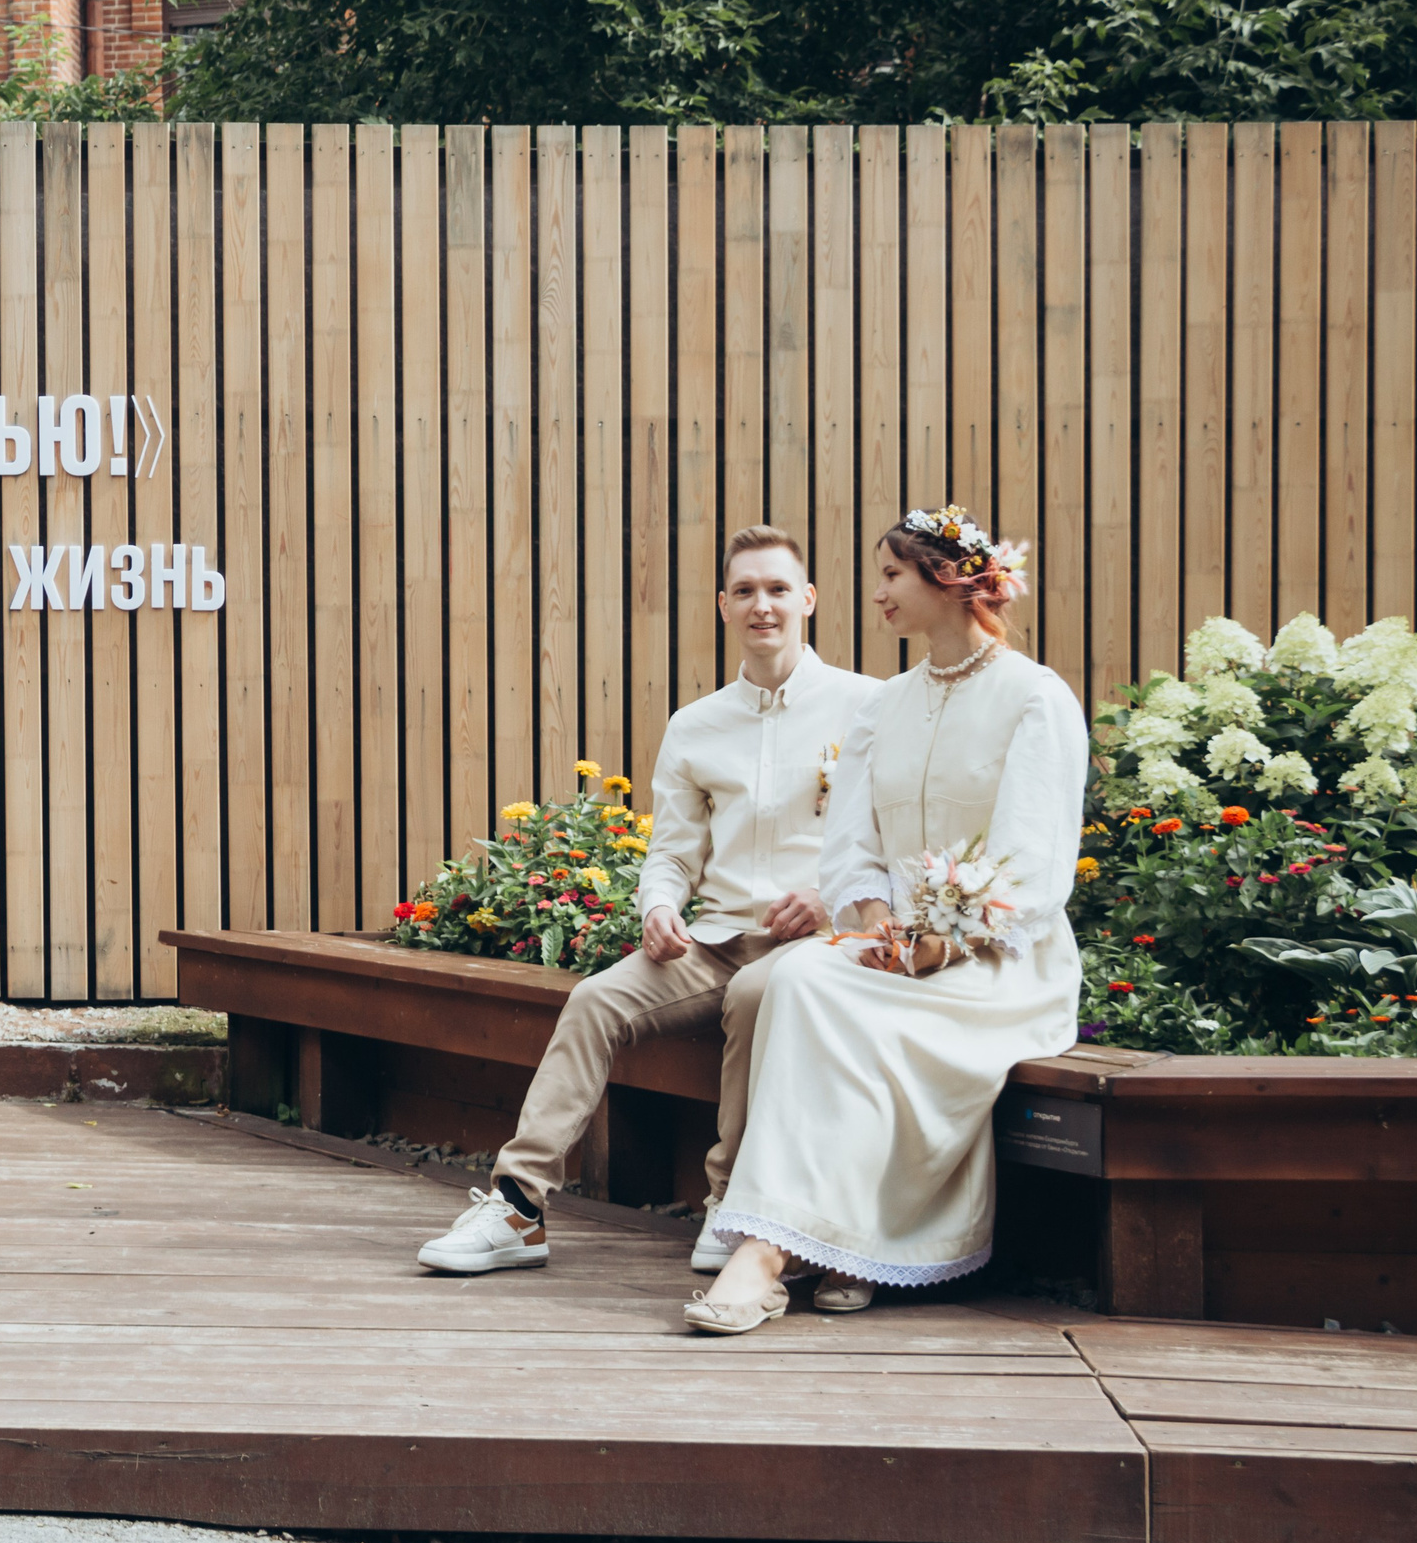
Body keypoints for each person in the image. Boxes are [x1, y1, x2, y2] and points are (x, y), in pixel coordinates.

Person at [417, 526, 881, 1276]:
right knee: (596, 999)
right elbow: (670, 851)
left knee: (760, 994)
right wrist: (659, 907)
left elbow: (894, 834)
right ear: (723, 605)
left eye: (777, 589)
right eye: (745, 591)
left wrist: (831, 896)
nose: (762, 605)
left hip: (816, 944)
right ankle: (517, 1206)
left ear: (809, 600)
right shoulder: (696, 725)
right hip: (714, 938)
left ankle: (731, 1205)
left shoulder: (866, 708)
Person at [684, 507, 1088, 1335]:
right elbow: (851, 848)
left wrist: (938, 942)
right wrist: (877, 926)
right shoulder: (884, 706)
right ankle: (805, 1242)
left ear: (952, 580)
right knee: (797, 976)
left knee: (827, 997)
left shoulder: (1035, 698)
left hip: (1001, 967)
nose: (878, 595)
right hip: (890, 946)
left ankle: (773, 1252)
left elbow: (1033, 864)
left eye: (893, 575)